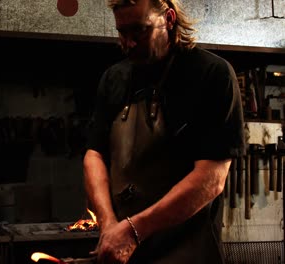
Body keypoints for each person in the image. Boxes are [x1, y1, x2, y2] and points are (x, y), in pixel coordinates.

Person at [83, 0, 246, 263]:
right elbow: (94, 155)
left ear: (169, 19)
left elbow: (212, 177)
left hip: (188, 252)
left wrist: (135, 230)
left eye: (139, 30)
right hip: (125, 252)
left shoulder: (211, 74)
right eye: (122, 32)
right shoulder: (114, 78)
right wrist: (109, 225)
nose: (129, 42)